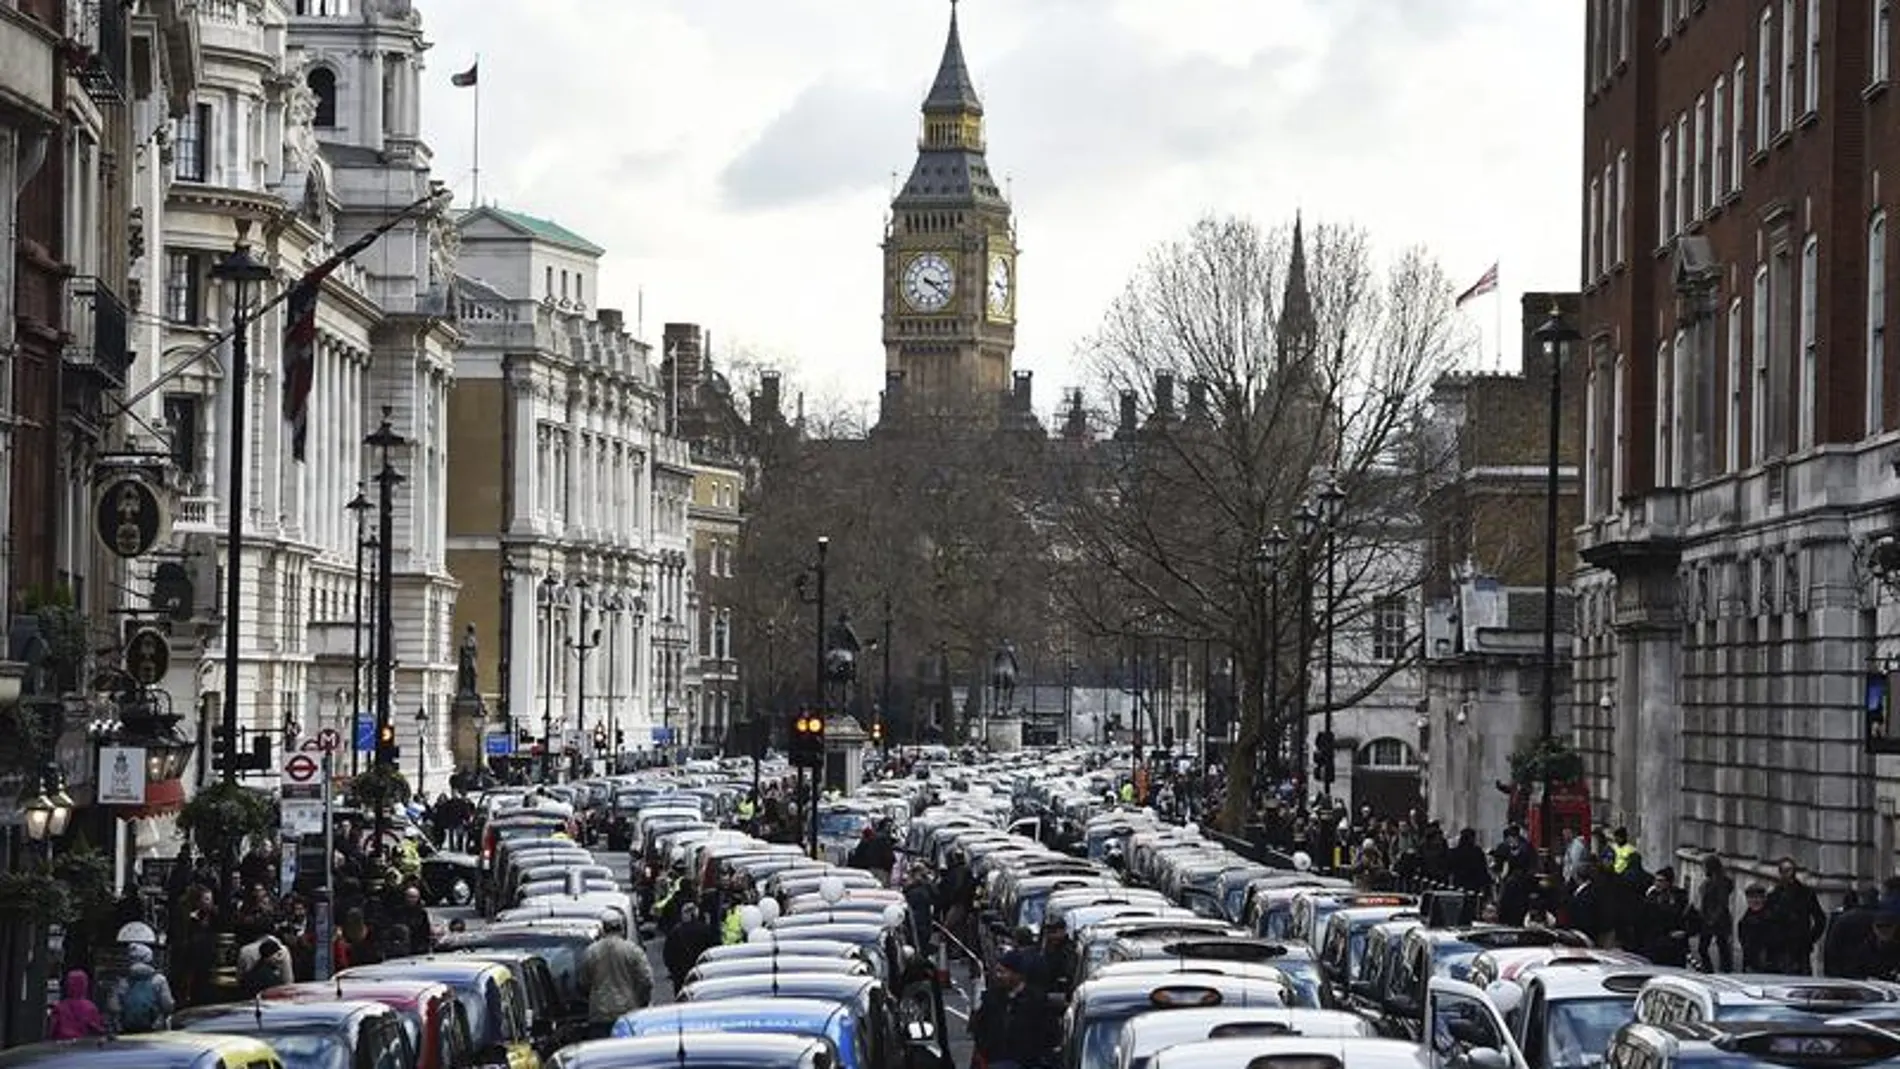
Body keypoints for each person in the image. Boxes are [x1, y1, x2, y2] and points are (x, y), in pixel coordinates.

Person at [969, 949, 1057, 1069]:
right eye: (997, 971)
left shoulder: (1036, 1002)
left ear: (1018, 975)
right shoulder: (991, 998)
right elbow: (979, 1028)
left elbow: (1048, 1037)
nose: (998, 976)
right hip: (994, 1061)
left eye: (1003, 972)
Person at [579, 915, 653, 1038]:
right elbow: (646, 980)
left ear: (603, 929)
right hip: (628, 1012)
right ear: (622, 928)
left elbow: (583, 981)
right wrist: (641, 1001)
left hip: (600, 1014)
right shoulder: (632, 950)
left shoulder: (591, 952)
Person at [1765, 857, 1827, 974]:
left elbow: (1820, 919)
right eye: (1783, 871)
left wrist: (1809, 939)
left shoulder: (1806, 894)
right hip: (1779, 950)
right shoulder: (1774, 896)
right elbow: (1768, 920)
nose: (1787, 874)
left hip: (1799, 949)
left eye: (1789, 870)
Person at [107, 943, 175, 1034]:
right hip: (154, 1029)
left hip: (128, 1030)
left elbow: (113, 1007)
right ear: (149, 959)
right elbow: (168, 1005)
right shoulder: (159, 980)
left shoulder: (123, 982)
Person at [662, 903, 719, 993]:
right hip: (702, 971)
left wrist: (673, 970)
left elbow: (667, 954)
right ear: (696, 914)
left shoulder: (675, 932)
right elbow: (713, 949)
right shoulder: (705, 929)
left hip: (681, 974)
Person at [1695, 856, 1735, 972]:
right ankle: (1710, 969)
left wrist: (1713, 918)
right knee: (1706, 947)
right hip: (1708, 918)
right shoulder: (1708, 882)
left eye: (1704, 867)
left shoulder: (1721, 883)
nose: (1703, 869)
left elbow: (1722, 903)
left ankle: (1722, 970)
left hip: (1717, 920)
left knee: (1720, 946)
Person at [46, 969, 106, 1040]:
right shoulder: (90, 1007)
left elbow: (51, 1031)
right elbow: (97, 1030)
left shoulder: (59, 1007)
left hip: (61, 1044)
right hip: (83, 1045)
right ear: (84, 985)